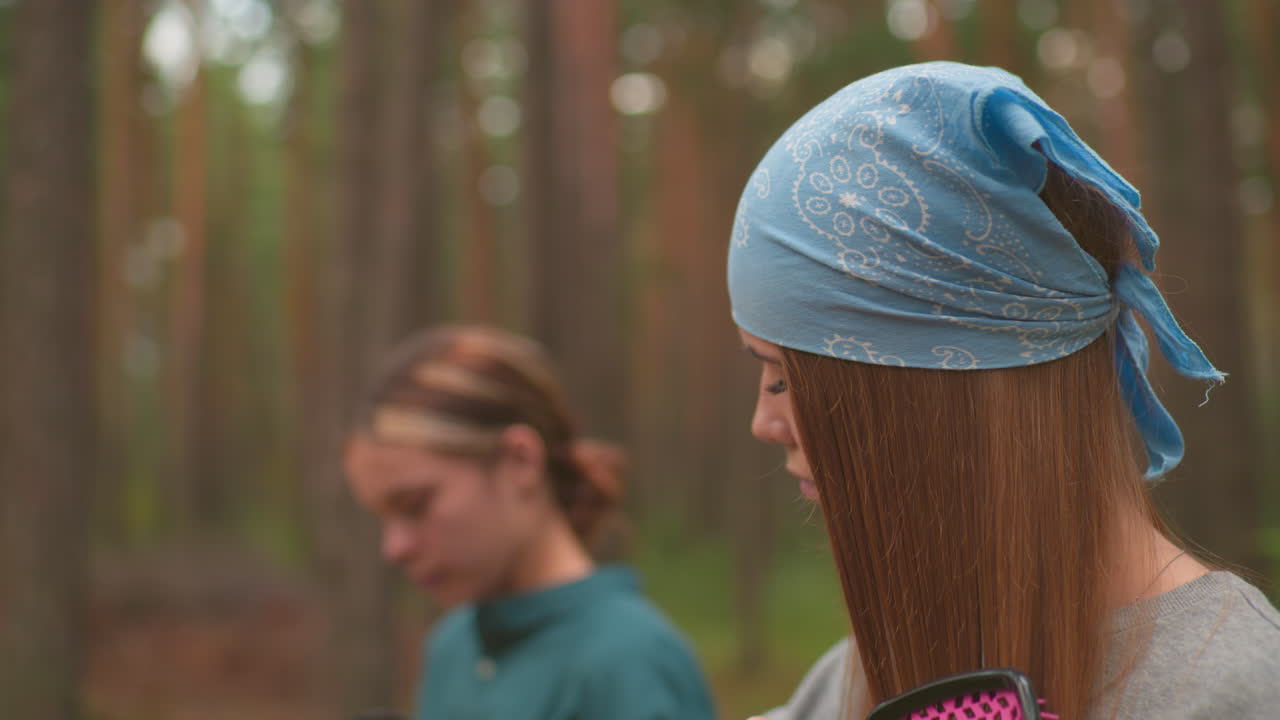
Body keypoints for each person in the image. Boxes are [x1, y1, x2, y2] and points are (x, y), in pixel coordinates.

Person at [727, 62, 1280, 719]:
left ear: (931, 384)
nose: (765, 421)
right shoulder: (871, 671)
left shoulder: (1228, 690)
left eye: (785, 377)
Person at [344, 325, 717, 720]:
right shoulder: (454, 649)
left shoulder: (629, 663)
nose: (395, 548)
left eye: (416, 505)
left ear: (520, 461)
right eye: (384, 519)